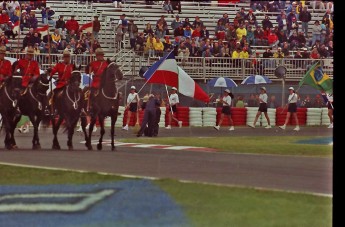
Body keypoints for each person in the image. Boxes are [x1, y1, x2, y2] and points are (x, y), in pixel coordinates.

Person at [48, 49, 76, 114]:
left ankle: (80, 108)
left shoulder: (72, 66)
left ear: (69, 57)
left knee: (78, 94)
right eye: (65, 57)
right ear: (63, 58)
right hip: (61, 84)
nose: (66, 58)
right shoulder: (59, 65)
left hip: (70, 85)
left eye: (68, 57)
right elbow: (53, 72)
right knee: (53, 94)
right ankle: (53, 108)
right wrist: (50, 71)